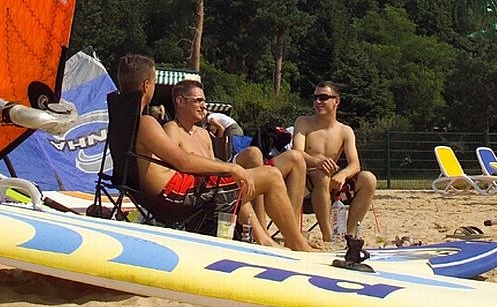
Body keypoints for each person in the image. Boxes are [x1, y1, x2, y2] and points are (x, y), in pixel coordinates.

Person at [115, 54, 314, 251]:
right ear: (147, 86)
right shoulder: (146, 122)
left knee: (253, 173)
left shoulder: (123, 120)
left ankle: (271, 239)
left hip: (168, 194)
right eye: (155, 82)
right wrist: (231, 167)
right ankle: (297, 245)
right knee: (271, 176)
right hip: (177, 196)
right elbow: (183, 161)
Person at [164, 79, 279, 246]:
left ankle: (266, 237)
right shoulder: (171, 130)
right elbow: (177, 166)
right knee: (271, 175)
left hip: (214, 191)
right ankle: (283, 241)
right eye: (198, 100)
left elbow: (212, 167)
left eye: (204, 100)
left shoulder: (203, 135)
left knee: (244, 180)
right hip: (195, 196)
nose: (204, 106)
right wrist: (231, 169)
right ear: (180, 101)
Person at [292, 81, 376, 243]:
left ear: (336, 101)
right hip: (305, 185)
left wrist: (343, 174)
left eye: (323, 98)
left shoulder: (345, 131)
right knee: (321, 175)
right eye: (315, 97)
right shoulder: (304, 122)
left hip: (333, 186)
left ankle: (347, 235)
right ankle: (328, 235)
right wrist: (317, 162)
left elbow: (355, 164)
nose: (317, 102)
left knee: (368, 179)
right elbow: (297, 152)